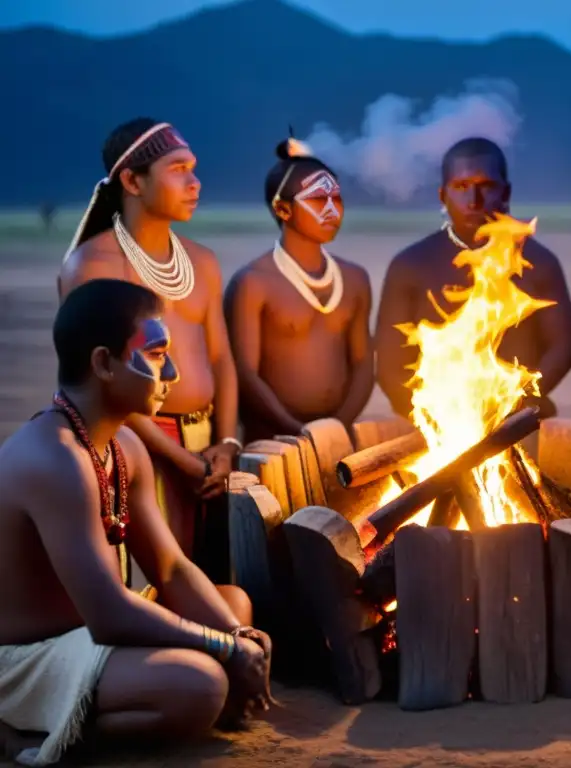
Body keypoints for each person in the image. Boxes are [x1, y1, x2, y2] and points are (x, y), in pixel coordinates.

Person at [0, 280, 272, 767]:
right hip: (29, 660)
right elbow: (108, 613)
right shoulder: (54, 458)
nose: (171, 371)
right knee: (202, 686)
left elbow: (168, 569)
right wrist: (225, 652)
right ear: (103, 363)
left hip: (95, 637)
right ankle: (25, 731)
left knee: (235, 606)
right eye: (155, 353)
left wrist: (235, 637)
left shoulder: (124, 446)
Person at [58, 118, 241, 570]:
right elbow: (101, 386)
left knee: (208, 573)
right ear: (132, 180)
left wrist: (228, 443)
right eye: (178, 168)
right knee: (151, 580)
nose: (195, 182)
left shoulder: (203, 261)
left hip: (208, 450)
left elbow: (221, 358)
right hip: (134, 445)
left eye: (194, 168)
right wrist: (180, 459)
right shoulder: (92, 266)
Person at [375, 137, 571, 422]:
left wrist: (518, 402)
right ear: (442, 195)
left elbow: (562, 348)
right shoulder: (410, 265)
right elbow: (388, 366)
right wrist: (433, 418)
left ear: (505, 192)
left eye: (486, 187)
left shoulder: (539, 263)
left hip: (516, 422)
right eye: (461, 187)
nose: (474, 201)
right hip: (433, 430)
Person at [224, 138, 373, 441]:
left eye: (337, 198)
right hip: (271, 441)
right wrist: (299, 433)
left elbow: (363, 365)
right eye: (318, 199)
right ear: (283, 209)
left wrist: (338, 428)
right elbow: (244, 374)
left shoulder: (355, 279)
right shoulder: (253, 283)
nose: (332, 209)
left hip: (336, 439)